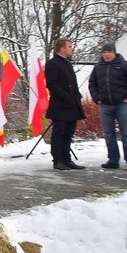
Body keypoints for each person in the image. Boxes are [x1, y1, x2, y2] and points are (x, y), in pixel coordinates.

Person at [88, 43, 127, 171]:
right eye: (104, 52)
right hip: (105, 105)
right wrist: (96, 98)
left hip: (122, 104)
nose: (106, 54)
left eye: (109, 52)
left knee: (126, 133)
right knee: (109, 134)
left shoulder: (126, 66)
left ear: (114, 52)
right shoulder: (98, 68)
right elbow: (92, 83)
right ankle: (113, 159)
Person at [44, 38, 86, 171]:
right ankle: (58, 160)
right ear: (62, 48)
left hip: (72, 104)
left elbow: (72, 83)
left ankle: (67, 159)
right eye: (69, 46)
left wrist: (77, 96)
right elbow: (51, 83)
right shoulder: (53, 63)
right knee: (59, 132)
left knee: (68, 133)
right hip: (60, 104)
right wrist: (65, 95)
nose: (71, 48)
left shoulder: (67, 63)